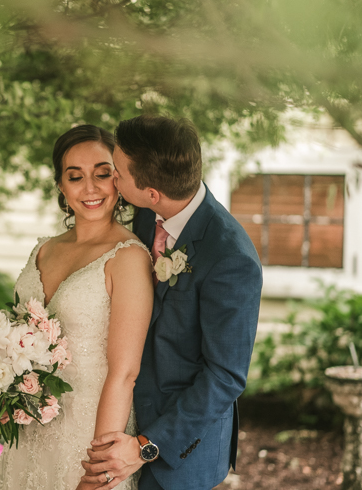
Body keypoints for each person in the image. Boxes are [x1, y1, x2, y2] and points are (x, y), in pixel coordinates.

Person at [81, 115, 262, 490]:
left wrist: (145, 446)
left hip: (179, 456)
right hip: (121, 417)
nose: (112, 179)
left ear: (151, 192)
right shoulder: (149, 213)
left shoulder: (232, 259)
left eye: (117, 173)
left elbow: (225, 376)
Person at [0, 125, 154, 490]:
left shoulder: (128, 258)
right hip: (31, 428)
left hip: (90, 432)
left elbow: (124, 373)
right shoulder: (44, 250)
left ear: (120, 181)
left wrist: (98, 471)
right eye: (75, 176)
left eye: (102, 174)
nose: (90, 188)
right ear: (61, 187)